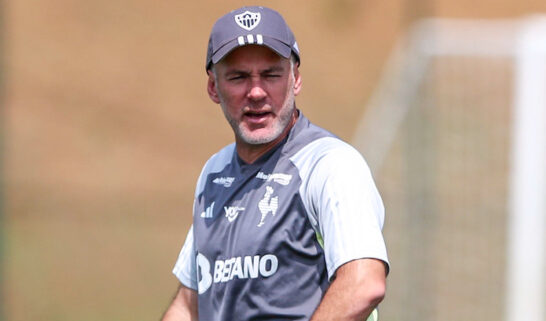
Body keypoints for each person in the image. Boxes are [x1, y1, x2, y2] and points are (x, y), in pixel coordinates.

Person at [162, 6, 389, 321]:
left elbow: (363, 283)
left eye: (271, 74)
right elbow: (189, 305)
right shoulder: (214, 174)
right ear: (214, 87)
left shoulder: (330, 165)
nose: (256, 92)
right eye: (238, 77)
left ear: (295, 79)